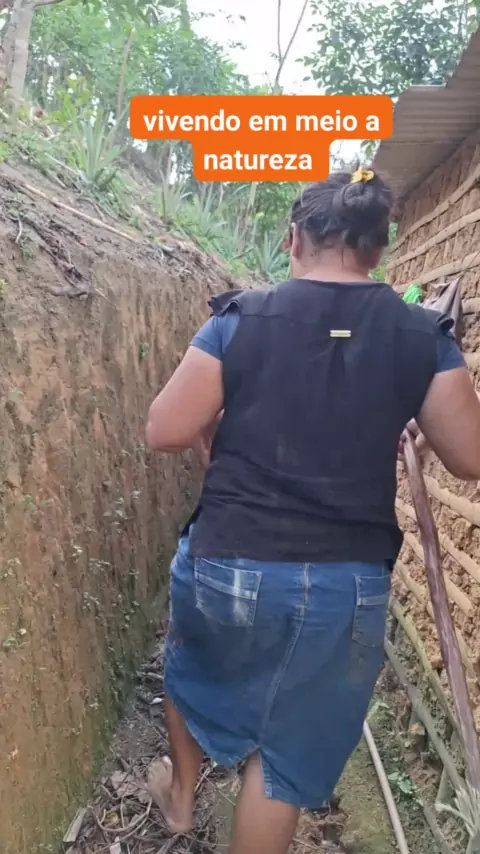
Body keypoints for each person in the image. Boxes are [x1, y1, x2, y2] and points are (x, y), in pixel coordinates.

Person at [145, 167, 480, 854]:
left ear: (293, 240)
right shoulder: (424, 336)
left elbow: (165, 428)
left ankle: (179, 799)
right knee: (285, 757)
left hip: (228, 559)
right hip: (343, 583)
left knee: (193, 663)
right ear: (380, 248)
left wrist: (214, 428)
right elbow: (469, 457)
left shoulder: (239, 318)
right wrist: (411, 411)